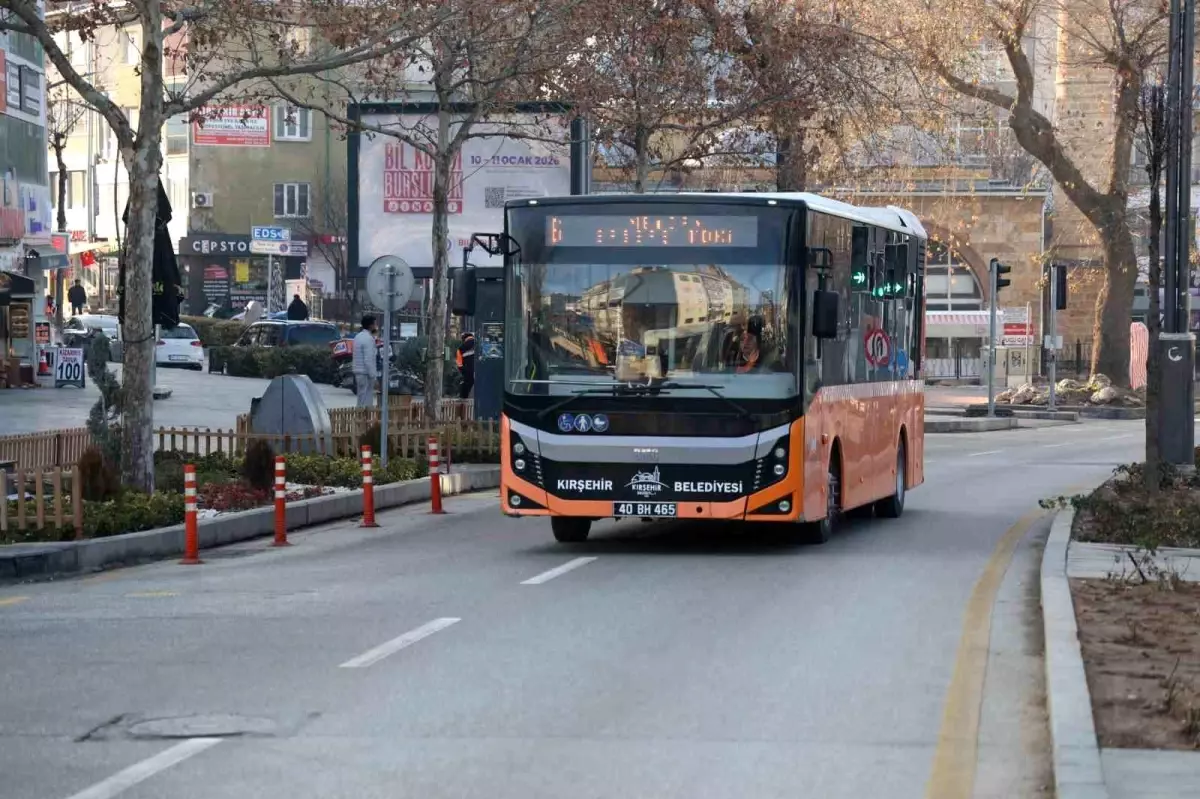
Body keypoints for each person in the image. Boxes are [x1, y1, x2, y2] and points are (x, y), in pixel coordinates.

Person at [352, 315, 379, 408]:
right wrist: (373, 376)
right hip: (366, 374)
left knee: (361, 398)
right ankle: (365, 420)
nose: (376, 326)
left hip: (358, 372)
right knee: (367, 400)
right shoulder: (368, 339)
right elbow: (368, 360)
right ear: (371, 325)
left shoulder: (358, 337)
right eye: (375, 324)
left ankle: (359, 420)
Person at [455, 331, 476, 399]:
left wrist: (464, 372)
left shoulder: (460, 348)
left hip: (468, 370)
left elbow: (459, 364)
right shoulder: (478, 344)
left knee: (466, 386)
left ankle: (464, 399)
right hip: (479, 369)